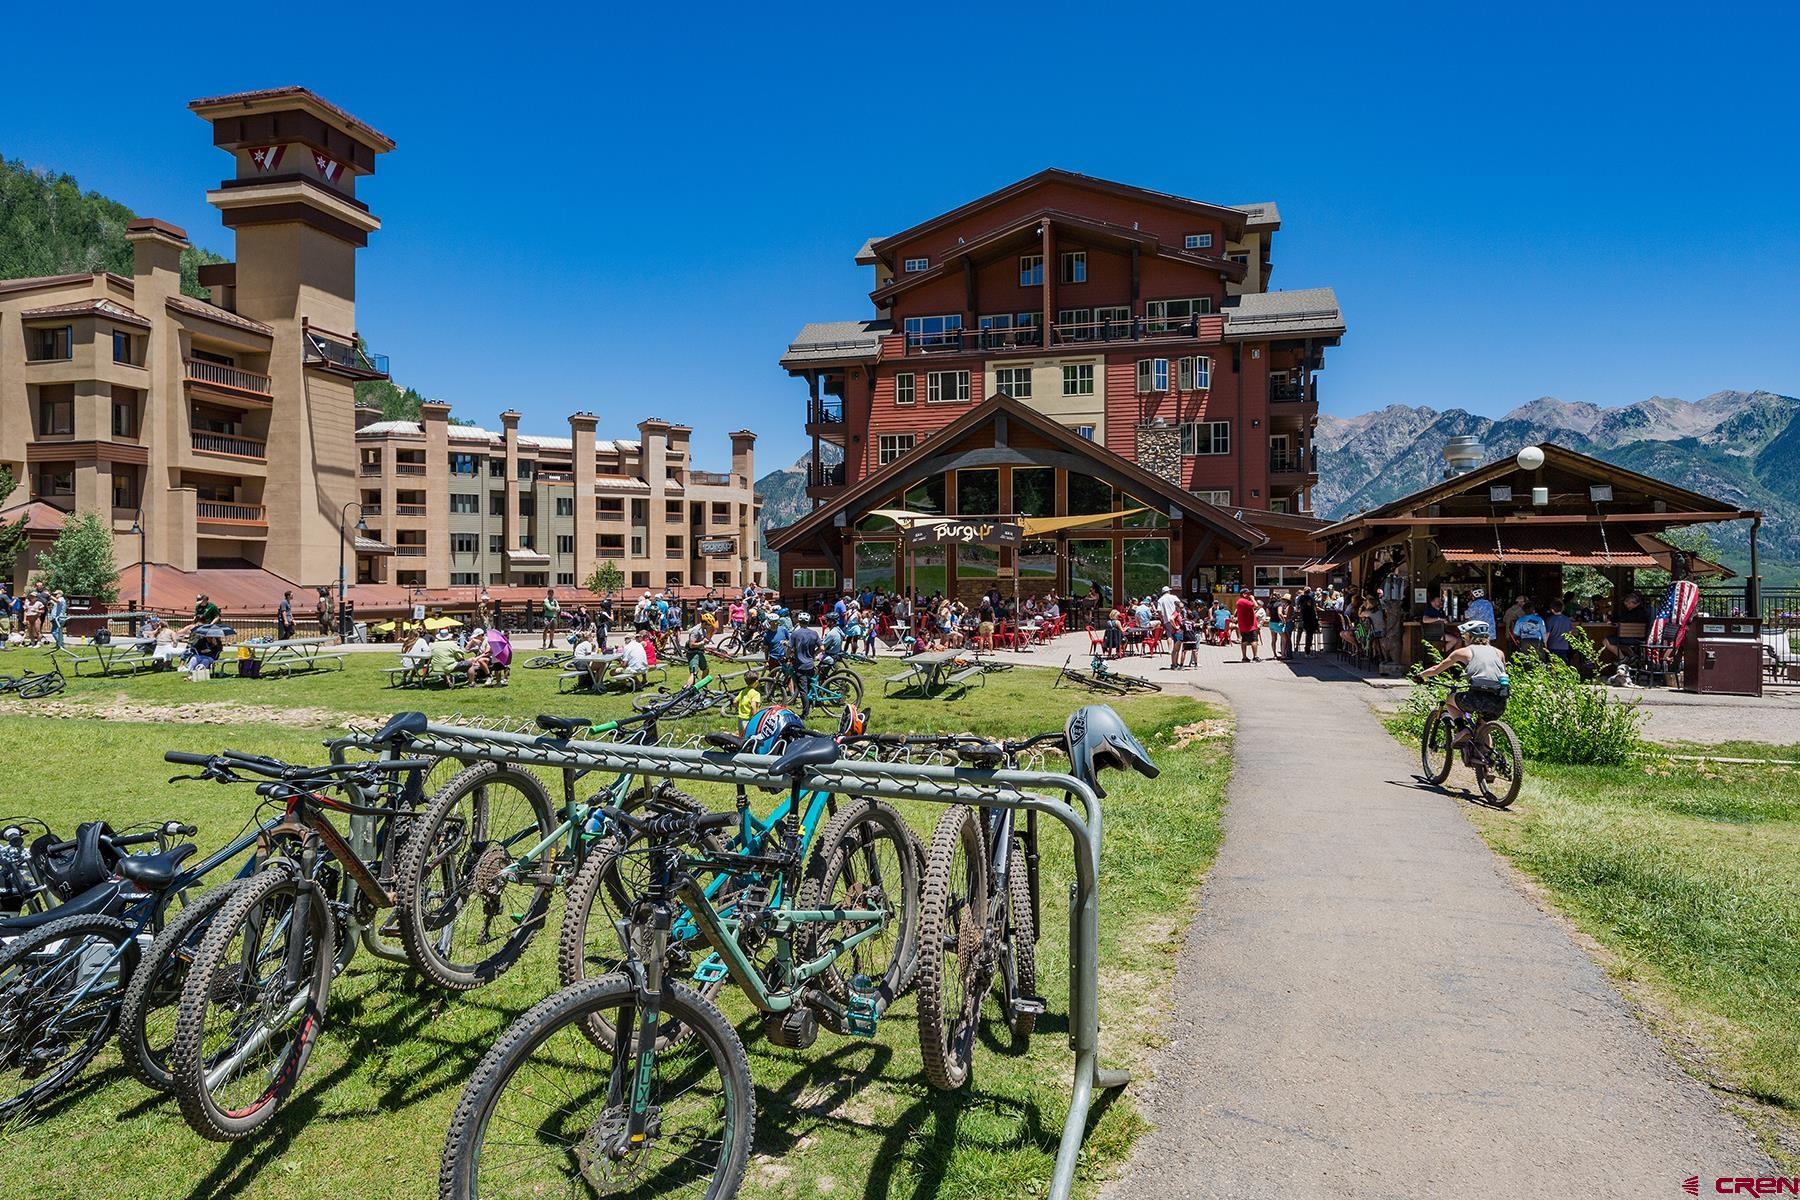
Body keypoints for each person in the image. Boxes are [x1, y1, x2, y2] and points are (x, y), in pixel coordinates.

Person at [1416, 619, 1510, 731]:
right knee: (1482, 730)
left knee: (1449, 700)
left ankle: (1462, 729)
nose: (1464, 640)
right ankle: (1484, 747)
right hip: (1499, 701)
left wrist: (1420, 675)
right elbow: (1503, 674)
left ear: (1471, 637)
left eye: (1465, 637)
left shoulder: (1463, 652)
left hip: (1475, 698)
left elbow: (1436, 669)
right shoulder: (1499, 653)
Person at [1233, 590, 1261, 661]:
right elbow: (1256, 606)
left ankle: (1244, 657)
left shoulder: (1239, 601)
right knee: (1254, 641)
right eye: (1248, 593)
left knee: (1244, 641)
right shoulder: (1244, 601)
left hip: (1243, 625)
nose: (1249, 595)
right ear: (1244, 594)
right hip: (1250, 625)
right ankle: (1255, 656)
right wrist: (1253, 599)